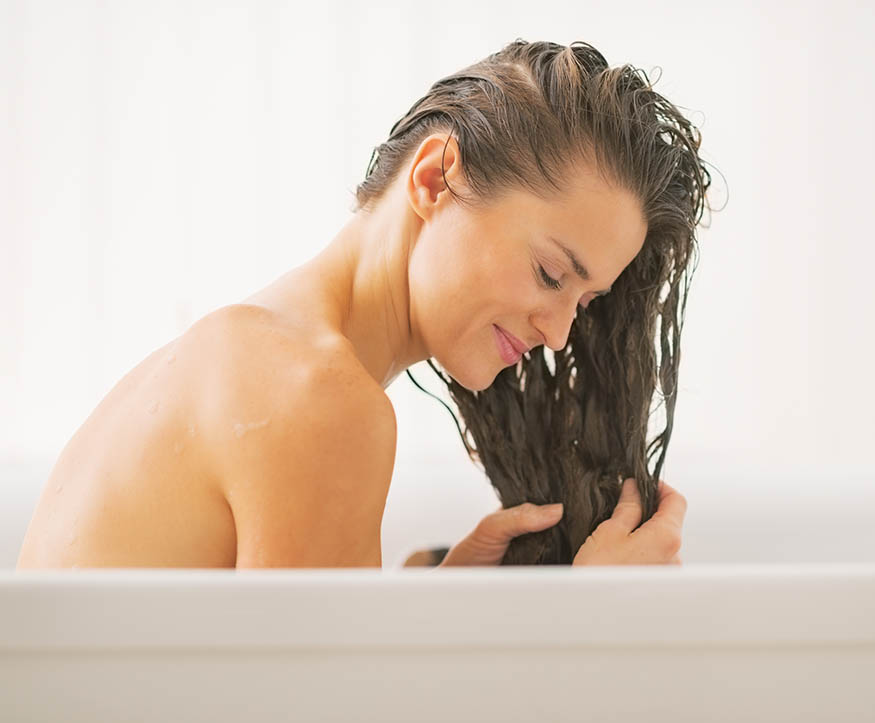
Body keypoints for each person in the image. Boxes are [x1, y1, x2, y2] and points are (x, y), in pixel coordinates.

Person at [17, 39, 699, 570]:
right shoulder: (317, 395)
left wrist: (435, 613)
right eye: (551, 272)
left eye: (584, 302)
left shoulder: (257, 349)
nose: (557, 334)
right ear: (434, 180)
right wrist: (591, 622)